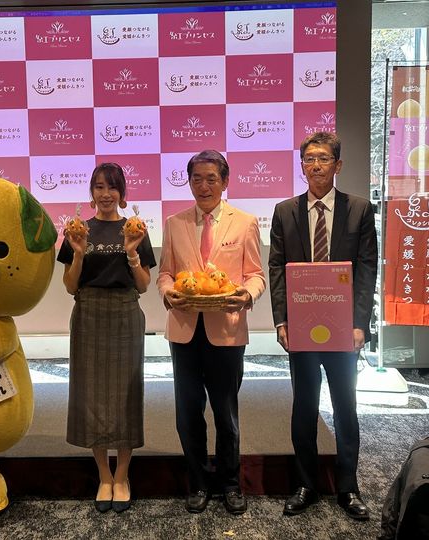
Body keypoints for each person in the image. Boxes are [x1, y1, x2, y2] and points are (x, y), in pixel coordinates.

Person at [268, 131, 378, 521]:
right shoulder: (284, 211)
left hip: (343, 329)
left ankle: (348, 487)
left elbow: (367, 270)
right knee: (304, 406)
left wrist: (360, 325)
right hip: (301, 327)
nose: (316, 166)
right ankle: (306, 485)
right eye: (309, 159)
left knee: (346, 407)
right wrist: (281, 320)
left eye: (324, 158)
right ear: (302, 166)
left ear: (338, 165)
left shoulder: (359, 210)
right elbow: (277, 269)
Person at [157, 150, 265, 515]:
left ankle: (231, 483)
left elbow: (255, 274)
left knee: (225, 411)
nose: (204, 186)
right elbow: (165, 273)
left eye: (211, 179)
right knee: (188, 413)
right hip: (185, 330)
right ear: (189, 182)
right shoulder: (174, 222)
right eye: (197, 179)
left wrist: (247, 294)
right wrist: (168, 293)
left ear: (225, 182)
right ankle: (199, 482)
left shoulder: (245, 222)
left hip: (227, 331)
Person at [58, 162, 156, 514]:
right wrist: (78, 253)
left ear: (122, 193)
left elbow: (143, 286)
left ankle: (123, 476)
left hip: (125, 314)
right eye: (99, 186)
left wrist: (131, 252)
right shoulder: (79, 230)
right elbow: (70, 286)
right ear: (92, 192)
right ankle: (103, 474)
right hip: (89, 314)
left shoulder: (135, 229)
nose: (106, 193)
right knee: (92, 396)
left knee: (126, 395)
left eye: (112, 187)